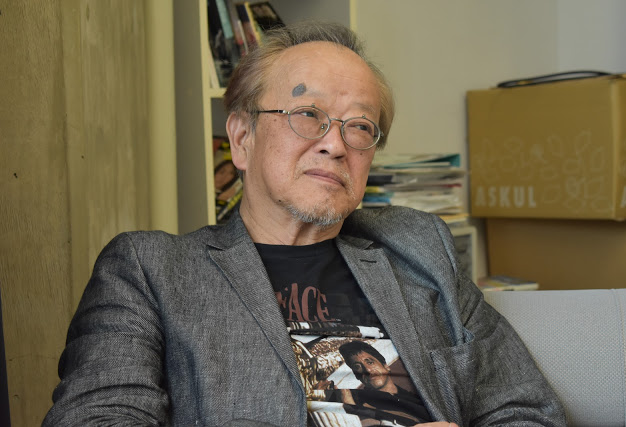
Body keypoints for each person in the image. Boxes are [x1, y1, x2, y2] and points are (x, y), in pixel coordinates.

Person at [44, 21, 566, 427]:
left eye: (359, 126)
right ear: (242, 138)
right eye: (307, 114)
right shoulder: (151, 270)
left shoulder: (420, 248)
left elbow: (525, 409)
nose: (335, 144)